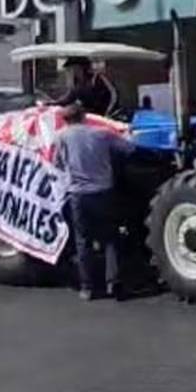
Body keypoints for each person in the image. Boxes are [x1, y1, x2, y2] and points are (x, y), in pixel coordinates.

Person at [53, 102, 136, 301]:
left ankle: (87, 287)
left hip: (78, 195)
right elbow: (129, 149)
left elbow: (58, 163)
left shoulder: (61, 137)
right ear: (84, 117)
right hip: (103, 192)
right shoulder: (102, 134)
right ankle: (113, 282)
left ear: (65, 120)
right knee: (110, 238)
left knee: (83, 241)